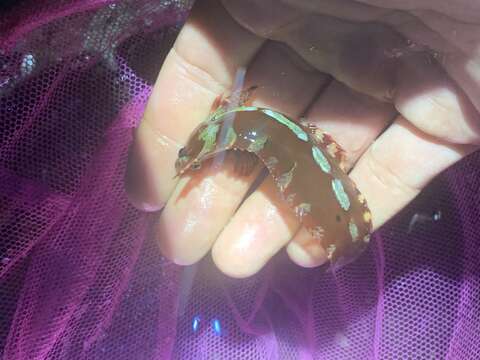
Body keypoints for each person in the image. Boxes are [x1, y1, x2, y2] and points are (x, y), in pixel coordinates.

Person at [125, 0, 480, 278]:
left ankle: (343, 235)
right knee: (277, 145)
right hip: (248, 126)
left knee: (292, 155)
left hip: (256, 125)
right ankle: (196, 152)